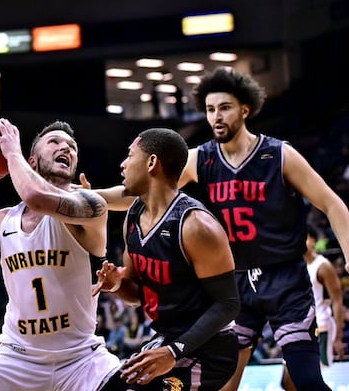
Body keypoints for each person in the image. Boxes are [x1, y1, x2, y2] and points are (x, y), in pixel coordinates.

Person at [83, 67, 349, 390]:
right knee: (223, 384)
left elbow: (331, 203)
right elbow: (138, 193)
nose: (215, 117)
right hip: (235, 283)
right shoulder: (202, 159)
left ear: (244, 110)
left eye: (224, 108)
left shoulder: (278, 154)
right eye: (210, 110)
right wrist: (83, 198)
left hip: (284, 278)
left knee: (306, 381)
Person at [0, 118, 126, 391]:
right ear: (33, 161)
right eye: (55, 142)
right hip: (17, 357)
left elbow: (36, 197)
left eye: (72, 146)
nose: (67, 148)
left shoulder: (90, 206)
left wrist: (12, 152)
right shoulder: (4, 221)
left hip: (79, 358)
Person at [93, 128, 240, 390]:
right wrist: (116, 284)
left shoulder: (196, 225)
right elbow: (137, 296)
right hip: (167, 340)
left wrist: (173, 352)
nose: (123, 164)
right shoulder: (133, 217)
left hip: (209, 350)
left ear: (152, 163)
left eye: (130, 155)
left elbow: (228, 304)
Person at [281, 226, 345, 391]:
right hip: (296, 325)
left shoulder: (323, 266)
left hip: (321, 327)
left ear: (314, 241)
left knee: (313, 380)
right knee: (287, 381)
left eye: (306, 238)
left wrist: (338, 337)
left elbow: (337, 301)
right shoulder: (293, 265)